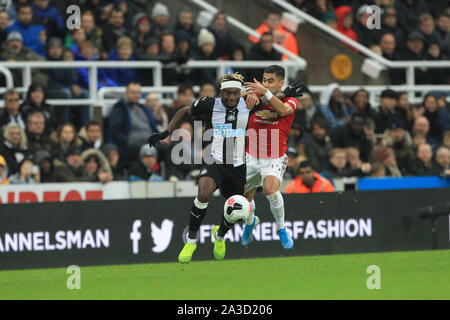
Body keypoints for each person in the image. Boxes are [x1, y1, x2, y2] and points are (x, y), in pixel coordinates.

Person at [147, 73, 260, 263]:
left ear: (240, 92)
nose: (231, 97)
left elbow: (276, 102)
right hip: (215, 161)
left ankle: (220, 234)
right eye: (226, 93)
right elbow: (183, 110)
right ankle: (191, 241)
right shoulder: (209, 104)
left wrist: (273, 93)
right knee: (203, 193)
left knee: (242, 211)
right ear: (220, 93)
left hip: (240, 165)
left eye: (235, 93)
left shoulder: (248, 102)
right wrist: (166, 132)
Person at [242, 65, 304, 250]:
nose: (265, 84)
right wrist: (251, 96)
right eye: (264, 80)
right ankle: (250, 222)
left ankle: (282, 229)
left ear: (281, 83)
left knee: (270, 189)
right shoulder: (257, 95)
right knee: (245, 199)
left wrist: (265, 94)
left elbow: (284, 110)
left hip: (274, 156)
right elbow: (239, 101)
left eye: (270, 81)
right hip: (251, 155)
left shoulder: (291, 100)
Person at [108, 82, 158, 163]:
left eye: (138, 92)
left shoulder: (145, 109)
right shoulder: (120, 109)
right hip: (132, 145)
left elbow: (154, 128)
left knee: (170, 149)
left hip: (151, 142)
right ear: (126, 93)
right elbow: (114, 130)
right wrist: (126, 142)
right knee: (147, 152)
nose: (136, 95)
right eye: (133, 92)